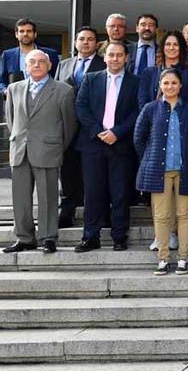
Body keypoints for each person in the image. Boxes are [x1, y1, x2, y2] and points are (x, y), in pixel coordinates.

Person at [2, 50, 77, 254]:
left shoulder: (63, 90)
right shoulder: (14, 89)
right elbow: (11, 120)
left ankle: (48, 237)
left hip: (48, 150)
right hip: (20, 150)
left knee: (48, 196)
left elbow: (69, 125)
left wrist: (56, 147)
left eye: (41, 62)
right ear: (26, 66)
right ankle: (25, 238)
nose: (36, 65)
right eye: (32, 62)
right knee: (20, 198)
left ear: (49, 65)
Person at [134, 68, 188, 275]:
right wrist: (150, 158)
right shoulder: (150, 108)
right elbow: (139, 137)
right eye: (166, 83)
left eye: (174, 83)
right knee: (161, 215)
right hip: (159, 170)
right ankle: (163, 258)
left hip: (184, 170)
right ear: (160, 86)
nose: (170, 87)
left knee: (185, 214)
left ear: (180, 85)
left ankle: (183, 258)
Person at [74, 41, 140, 252]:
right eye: (111, 55)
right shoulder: (91, 79)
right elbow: (81, 106)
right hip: (93, 144)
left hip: (121, 145)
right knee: (93, 193)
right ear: (104, 57)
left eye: (119, 55)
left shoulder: (135, 82)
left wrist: (117, 132)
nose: (115, 59)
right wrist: (97, 131)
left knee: (120, 193)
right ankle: (90, 237)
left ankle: (119, 236)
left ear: (127, 58)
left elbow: (138, 111)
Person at [56, 26, 106, 228]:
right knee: (67, 172)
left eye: (90, 39)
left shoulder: (104, 64)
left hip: (92, 128)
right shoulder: (64, 65)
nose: (86, 42)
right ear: (75, 42)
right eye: (82, 39)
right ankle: (66, 212)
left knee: (92, 175)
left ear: (96, 43)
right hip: (66, 127)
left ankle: (95, 215)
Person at [137, 31, 188, 108]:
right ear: (162, 47)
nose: (171, 48)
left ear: (181, 47)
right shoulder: (149, 73)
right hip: (152, 118)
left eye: (175, 44)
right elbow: (142, 102)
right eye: (168, 44)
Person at [0, 19, 61, 94]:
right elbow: (2, 81)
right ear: (16, 34)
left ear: (35, 34)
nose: (25, 34)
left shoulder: (51, 54)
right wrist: (6, 91)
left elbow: (57, 78)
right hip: (17, 100)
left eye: (29, 31)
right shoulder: (7, 55)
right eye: (21, 31)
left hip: (45, 98)